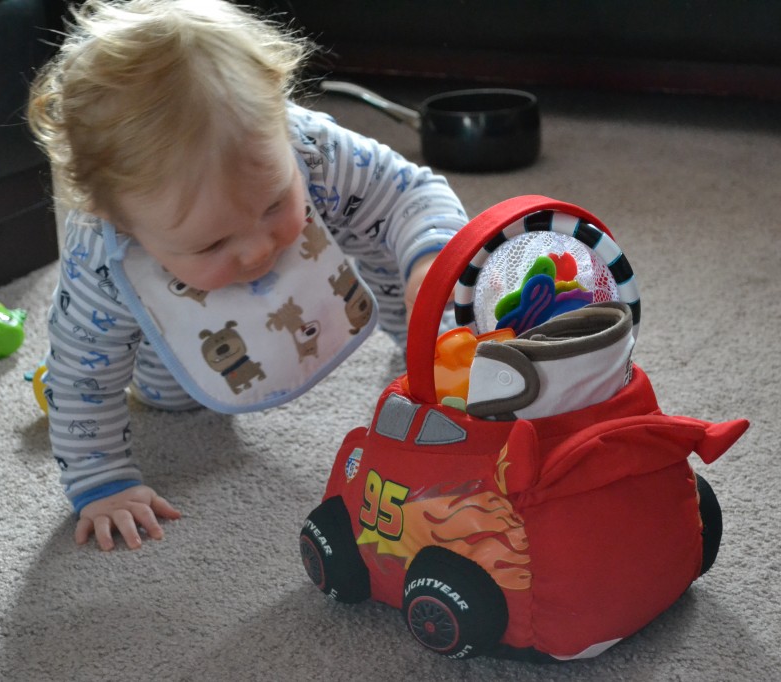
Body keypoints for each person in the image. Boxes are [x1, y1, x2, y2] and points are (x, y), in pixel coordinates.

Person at [27, 0, 467, 551]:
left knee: (385, 233)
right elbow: (81, 376)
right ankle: (170, 384)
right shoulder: (105, 264)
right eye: (212, 243)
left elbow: (410, 195)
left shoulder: (310, 150)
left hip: (358, 277)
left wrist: (428, 264)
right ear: (120, 221)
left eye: (273, 203)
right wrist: (101, 483)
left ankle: (420, 338)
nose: (259, 251)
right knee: (173, 394)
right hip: (171, 369)